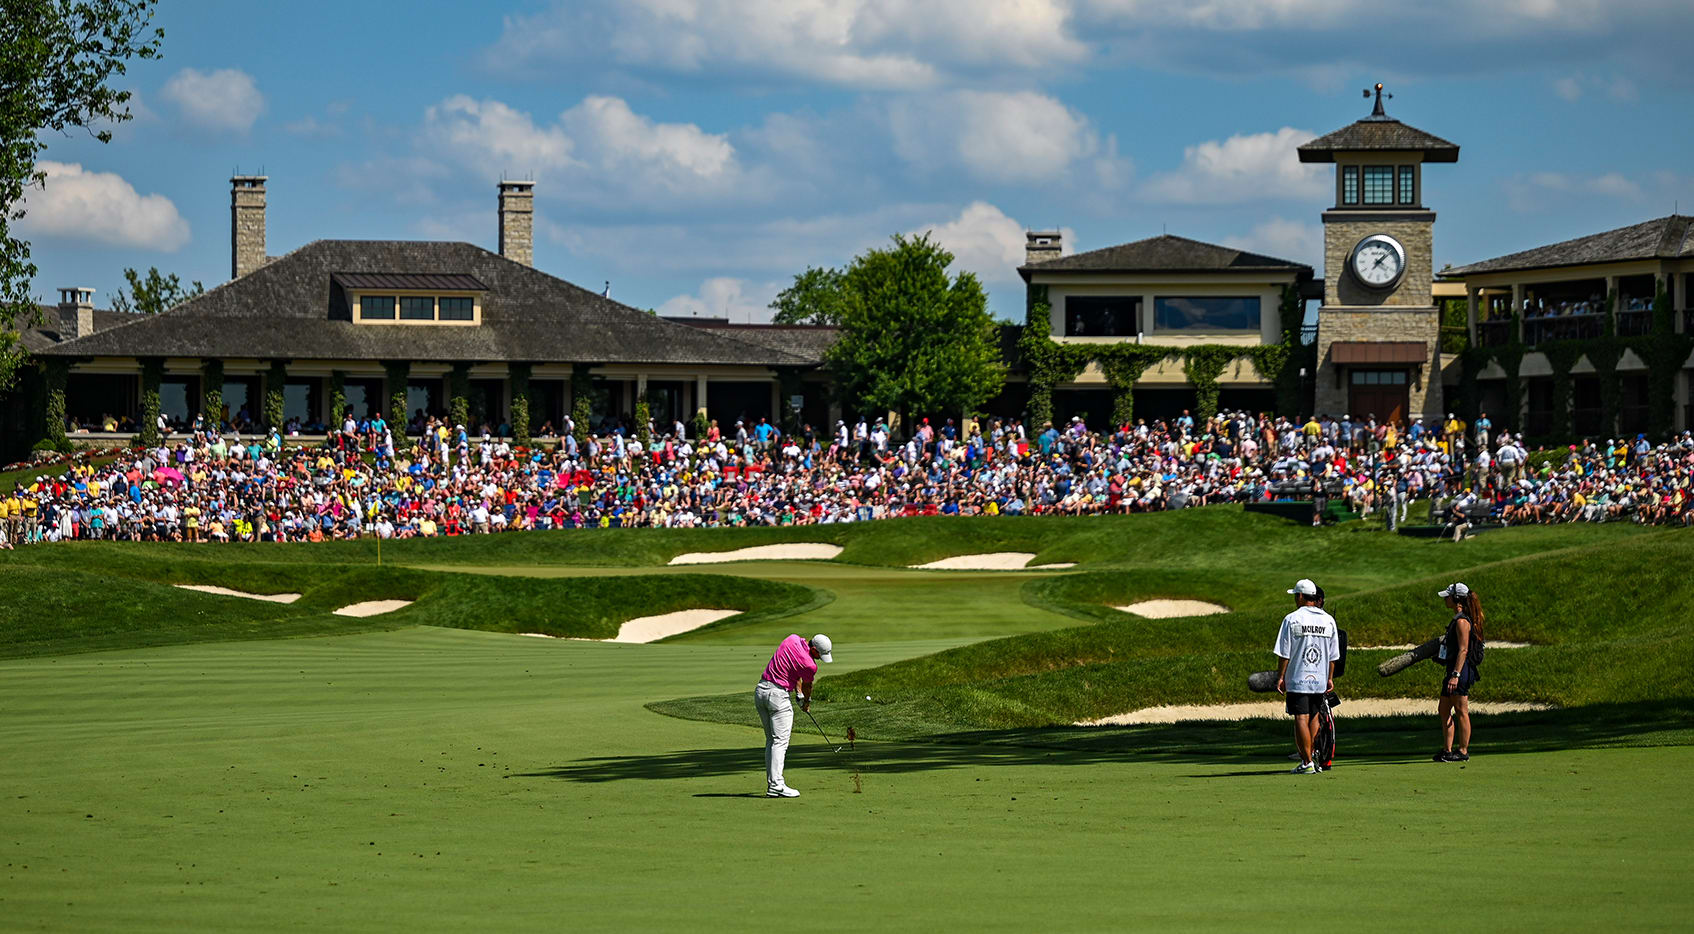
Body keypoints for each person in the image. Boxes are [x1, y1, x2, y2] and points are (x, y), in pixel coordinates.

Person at [754, 632, 833, 797]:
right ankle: (776, 785)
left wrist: (798, 694)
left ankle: (773, 784)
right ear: (813, 649)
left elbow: (793, 668)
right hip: (777, 697)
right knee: (780, 743)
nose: (820, 658)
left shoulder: (791, 639)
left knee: (772, 741)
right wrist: (806, 702)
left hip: (761, 692)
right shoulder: (810, 665)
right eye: (820, 654)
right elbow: (807, 685)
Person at [1274, 578, 1340, 774]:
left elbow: (1284, 653)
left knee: (1300, 718)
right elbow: (1333, 655)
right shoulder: (1328, 620)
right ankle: (1311, 759)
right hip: (1319, 678)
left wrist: (1280, 677)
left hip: (1298, 677)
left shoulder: (1292, 619)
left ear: (1301, 596)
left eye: (1296, 595)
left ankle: (1306, 762)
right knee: (1313, 718)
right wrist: (1329, 677)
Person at [1434, 582, 1484, 763]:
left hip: (1460, 672)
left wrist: (1455, 675)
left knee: (1461, 710)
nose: (1445, 599)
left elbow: (1463, 650)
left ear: (1456, 599)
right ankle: (1447, 750)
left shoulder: (1462, 622)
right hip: (1453, 670)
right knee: (1443, 709)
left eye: (1448, 596)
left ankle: (1463, 751)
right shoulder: (1458, 619)